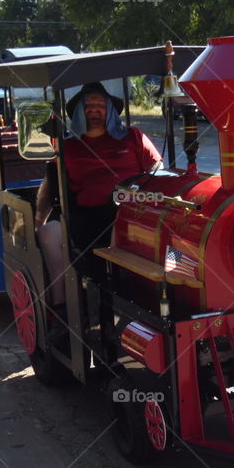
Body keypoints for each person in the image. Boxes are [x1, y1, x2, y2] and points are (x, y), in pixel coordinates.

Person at [36, 82, 162, 307]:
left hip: (133, 211)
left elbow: (158, 169)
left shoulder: (133, 136)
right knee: (48, 233)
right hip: (85, 218)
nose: (94, 110)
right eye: (88, 106)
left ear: (110, 110)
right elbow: (50, 182)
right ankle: (61, 305)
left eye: (100, 105)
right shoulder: (67, 147)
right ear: (79, 111)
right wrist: (38, 219)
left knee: (121, 226)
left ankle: (120, 301)